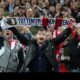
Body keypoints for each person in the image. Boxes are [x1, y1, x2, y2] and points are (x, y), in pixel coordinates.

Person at [4, 18, 74, 72]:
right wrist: (10, 26)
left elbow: (61, 37)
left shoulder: (52, 43)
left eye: (43, 34)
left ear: (46, 37)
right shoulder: (29, 43)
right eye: (40, 34)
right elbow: (19, 36)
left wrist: (69, 28)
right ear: (36, 36)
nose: (41, 36)